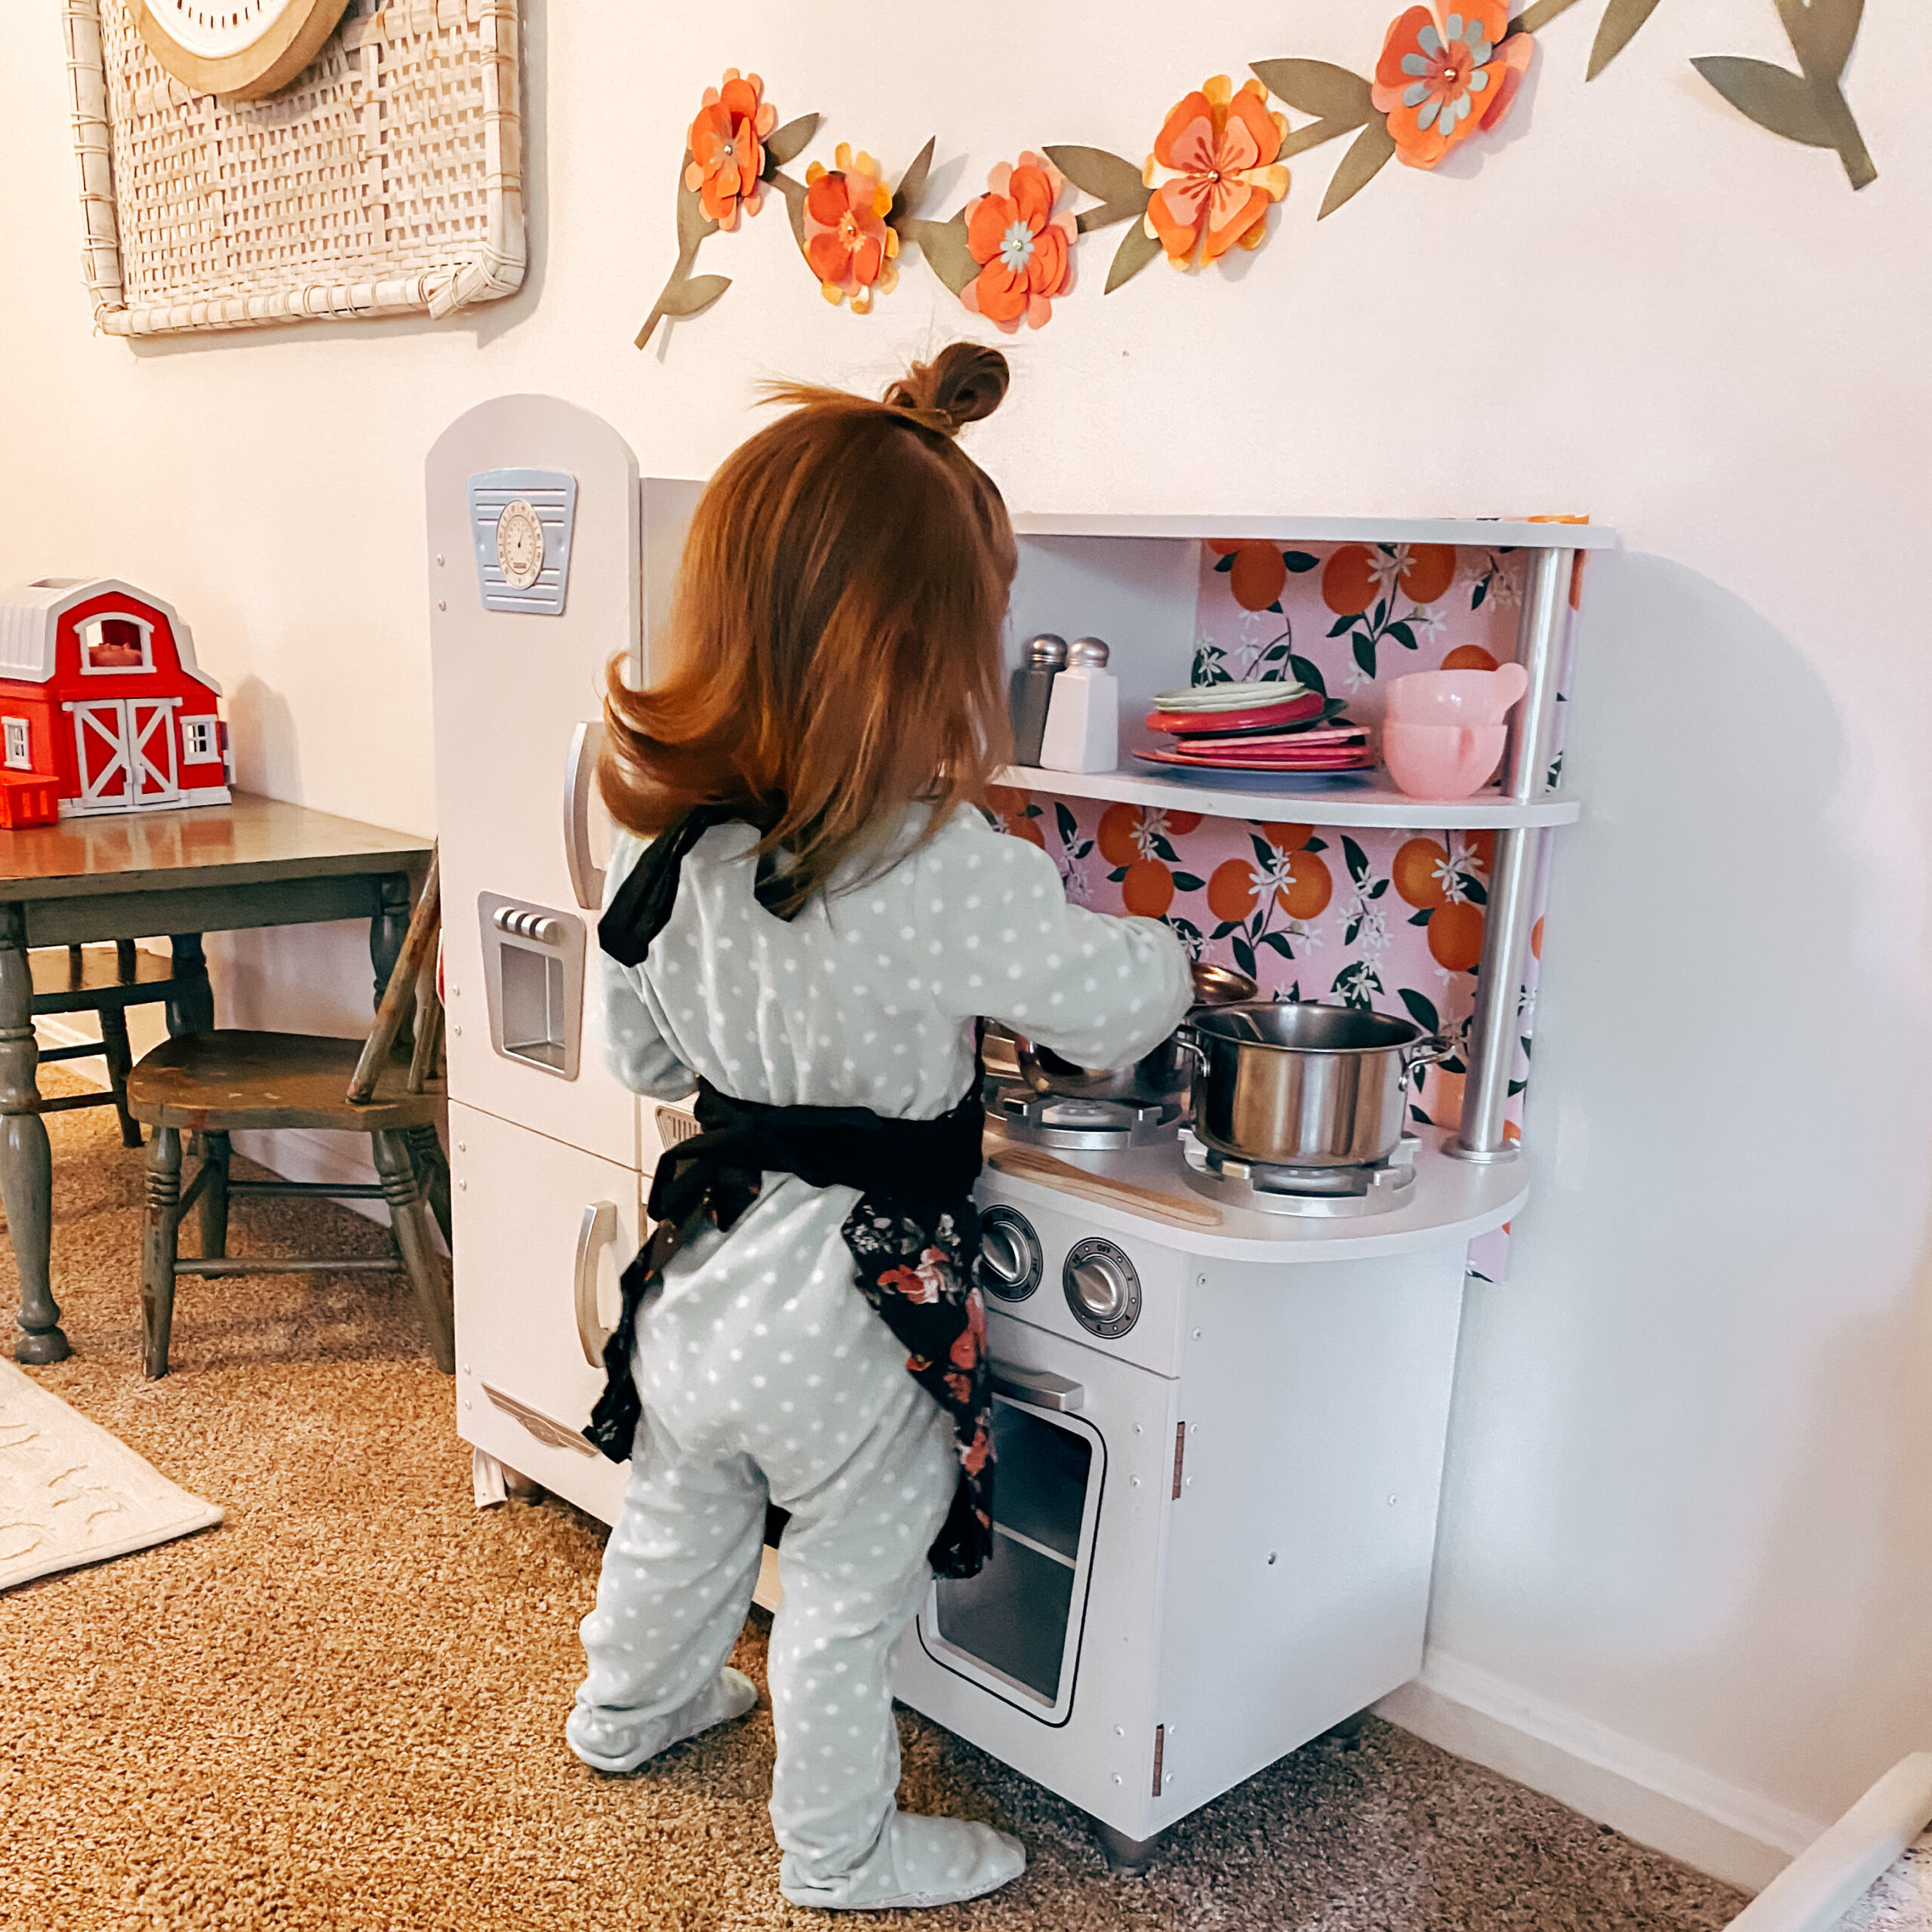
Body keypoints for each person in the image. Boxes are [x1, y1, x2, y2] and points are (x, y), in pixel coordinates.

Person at [567, 342, 1191, 1911]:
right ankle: (839, 1849)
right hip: (857, 1310)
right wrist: (1170, 952)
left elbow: (638, 1038)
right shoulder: (943, 864)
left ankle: (624, 1709)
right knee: (849, 1586)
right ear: (929, 653)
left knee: (678, 1505)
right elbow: (1107, 1009)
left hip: (700, 1281)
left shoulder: (680, 851)